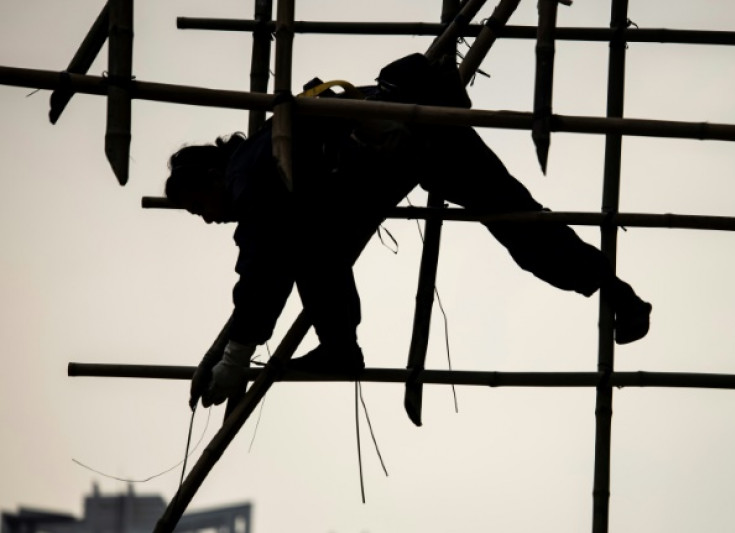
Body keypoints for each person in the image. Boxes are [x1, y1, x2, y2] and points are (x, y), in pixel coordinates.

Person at [167, 54, 652, 409]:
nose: (206, 218)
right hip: (415, 126)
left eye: (197, 207)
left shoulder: (246, 173)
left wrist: (236, 356)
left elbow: (262, 267)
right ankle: (618, 292)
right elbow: (267, 264)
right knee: (518, 218)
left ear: (211, 176)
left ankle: (339, 350)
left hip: (390, 145)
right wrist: (228, 352)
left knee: (309, 248)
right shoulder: (262, 151)